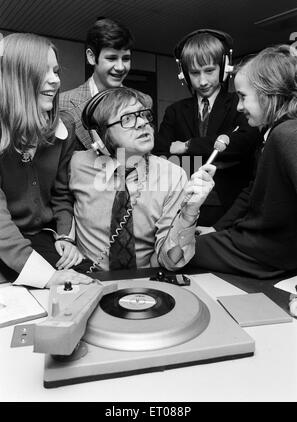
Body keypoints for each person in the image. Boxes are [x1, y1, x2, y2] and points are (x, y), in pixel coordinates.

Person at [69, 87, 215, 272]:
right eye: (127, 118)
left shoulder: (173, 175)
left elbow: (170, 261)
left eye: (144, 115)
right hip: (86, 279)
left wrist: (189, 213)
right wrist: (64, 239)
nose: (142, 123)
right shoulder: (75, 164)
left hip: (146, 283)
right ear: (100, 136)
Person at [183, 44, 297, 279]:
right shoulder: (272, 133)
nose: (239, 107)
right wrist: (216, 229)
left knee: (178, 251)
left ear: (269, 94)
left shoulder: (287, 134)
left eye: (243, 97)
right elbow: (252, 191)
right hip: (259, 243)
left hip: (266, 251)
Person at [0, 33, 93, 288]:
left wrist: (65, 236)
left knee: (86, 281)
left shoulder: (66, 128)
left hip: (40, 237)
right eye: (44, 71)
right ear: (14, 76)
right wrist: (48, 277)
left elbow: (62, 195)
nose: (55, 80)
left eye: (56, 70)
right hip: (5, 240)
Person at [154, 29, 262, 226]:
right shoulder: (174, 111)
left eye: (209, 71)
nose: (202, 81)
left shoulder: (240, 103)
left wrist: (187, 146)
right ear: (184, 74)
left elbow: (242, 144)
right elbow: (162, 152)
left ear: (224, 67)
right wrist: (219, 157)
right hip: (183, 202)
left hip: (231, 206)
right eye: (195, 73)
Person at [59, 17, 136, 150]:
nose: (120, 67)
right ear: (91, 57)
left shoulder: (141, 102)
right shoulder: (62, 104)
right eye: (112, 58)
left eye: (126, 59)